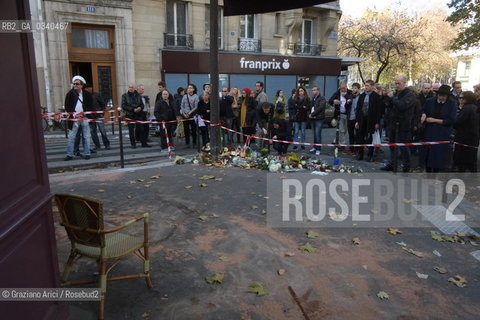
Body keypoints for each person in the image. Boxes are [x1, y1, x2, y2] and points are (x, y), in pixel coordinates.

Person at [382, 75, 416, 172]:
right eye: (395, 83)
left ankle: (406, 166)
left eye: (398, 83)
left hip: (403, 125)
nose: (397, 85)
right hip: (393, 123)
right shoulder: (396, 93)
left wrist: (392, 97)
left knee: (403, 146)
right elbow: (389, 105)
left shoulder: (410, 95)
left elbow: (402, 106)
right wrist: (386, 96)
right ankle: (392, 163)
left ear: (404, 83)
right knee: (392, 145)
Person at [420, 84, 457, 172]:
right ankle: (428, 172)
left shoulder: (452, 103)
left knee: (439, 154)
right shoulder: (430, 101)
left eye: (444, 96)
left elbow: (451, 120)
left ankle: (436, 174)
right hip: (429, 131)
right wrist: (423, 114)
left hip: (443, 132)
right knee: (428, 153)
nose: (441, 98)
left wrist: (434, 120)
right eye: (440, 95)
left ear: (447, 96)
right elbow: (423, 110)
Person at [64, 75, 93, 160]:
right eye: (74, 84)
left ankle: (87, 153)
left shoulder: (87, 94)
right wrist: (74, 114)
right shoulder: (69, 94)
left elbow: (90, 106)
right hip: (74, 118)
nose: (75, 85)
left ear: (81, 85)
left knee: (86, 136)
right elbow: (67, 106)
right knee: (71, 137)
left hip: (84, 118)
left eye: (77, 84)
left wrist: (84, 114)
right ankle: (70, 154)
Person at [453, 91, 479, 172]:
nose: (459, 100)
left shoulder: (466, 109)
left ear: (467, 99)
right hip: (473, 138)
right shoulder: (475, 108)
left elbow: (458, 121)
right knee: (472, 161)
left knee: (462, 161)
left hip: (464, 138)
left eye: (461, 98)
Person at [355, 80, 380, 161]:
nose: (366, 87)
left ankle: (370, 155)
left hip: (371, 120)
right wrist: (357, 121)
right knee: (360, 137)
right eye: (365, 85)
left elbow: (378, 111)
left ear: (372, 86)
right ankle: (360, 154)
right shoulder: (362, 96)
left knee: (370, 138)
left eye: (368, 85)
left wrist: (377, 122)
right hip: (362, 120)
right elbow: (358, 109)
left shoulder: (376, 96)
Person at [121, 83, 151, 148]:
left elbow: (142, 105)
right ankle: (133, 144)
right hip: (130, 115)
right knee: (131, 130)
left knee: (141, 129)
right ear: (128, 88)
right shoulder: (124, 96)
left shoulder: (138, 95)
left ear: (134, 88)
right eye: (130, 87)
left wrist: (140, 108)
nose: (131, 88)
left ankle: (144, 143)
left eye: (132, 87)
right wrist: (132, 109)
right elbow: (123, 106)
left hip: (139, 114)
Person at [85, 85, 110, 150]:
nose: (88, 89)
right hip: (90, 117)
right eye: (86, 88)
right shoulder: (84, 97)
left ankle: (107, 144)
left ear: (91, 88)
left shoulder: (96, 95)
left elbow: (103, 104)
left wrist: (102, 113)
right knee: (93, 132)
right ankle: (97, 145)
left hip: (98, 115)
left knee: (102, 131)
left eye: (89, 88)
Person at [308, 86, 327, 156]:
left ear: (318, 91)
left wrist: (312, 114)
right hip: (313, 118)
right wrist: (309, 114)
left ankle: (318, 149)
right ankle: (315, 147)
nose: (313, 91)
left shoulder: (322, 98)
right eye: (312, 90)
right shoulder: (313, 98)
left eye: (314, 90)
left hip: (319, 118)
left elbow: (320, 108)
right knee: (315, 134)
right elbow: (310, 107)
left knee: (318, 134)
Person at [180, 84, 199, 148]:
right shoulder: (185, 96)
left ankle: (194, 142)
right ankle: (187, 142)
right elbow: (182, 105)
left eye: (191, 88)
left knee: (193, 129)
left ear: (193, 89)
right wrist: (184, 114)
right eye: (188, 88)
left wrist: (189, 113)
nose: (189, 89)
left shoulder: (196, 96)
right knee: (186, 129)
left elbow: (196, 106)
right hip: (185, 115)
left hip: (192, 115)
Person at [348, 83, 361, 153]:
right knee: (351, 135)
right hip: (350, 118)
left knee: (357, 135)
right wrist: (347, 103)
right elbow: (346, 107)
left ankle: (357, 149)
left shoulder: (361, 97)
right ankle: (351, 149)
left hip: (356, 119)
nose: (353, 89)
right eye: (353, 88)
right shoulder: (350, 96)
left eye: (355, 88)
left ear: (358, 89)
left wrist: (358, 120)